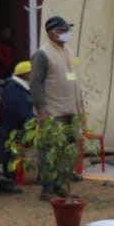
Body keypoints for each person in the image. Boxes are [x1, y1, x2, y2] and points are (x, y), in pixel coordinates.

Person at [29, 15, 85, 200]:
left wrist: (80, 107)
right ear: (51, 33)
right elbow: (35, 83)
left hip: (71, 110)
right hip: (52, 112)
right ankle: (47, 188)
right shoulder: (42, 54)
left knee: (67, 150)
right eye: (62, 30)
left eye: (67, 29)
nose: (66, 33)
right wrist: (41, 110)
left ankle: (61, 185)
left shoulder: (69, 51)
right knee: (49, 150)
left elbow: (74, 80)